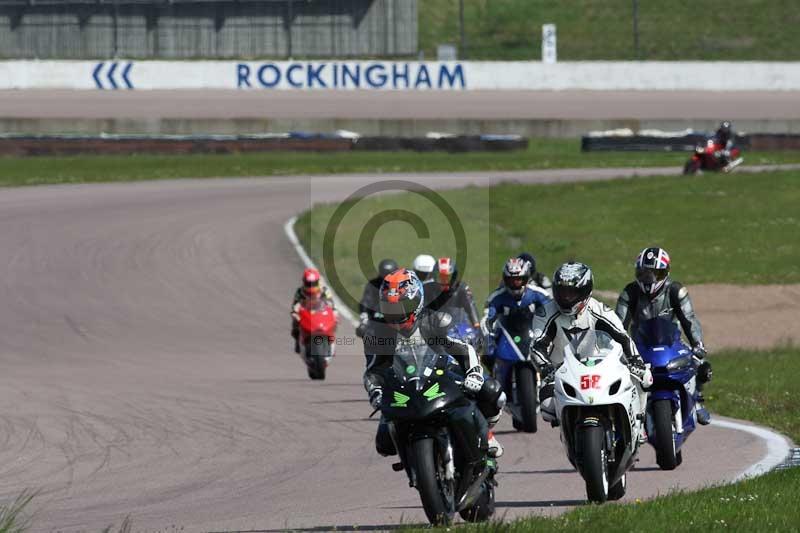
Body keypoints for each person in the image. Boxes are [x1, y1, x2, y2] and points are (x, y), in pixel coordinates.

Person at [363, 268, 506, 458]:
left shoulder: (433, 322)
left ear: (416, 302)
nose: (396, 313)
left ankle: (486, 434)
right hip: (403, 388)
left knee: (490, 390)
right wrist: (376, 391)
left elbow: (464, 349)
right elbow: (373, 371)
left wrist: (473, 373)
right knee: (384, 443)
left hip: (441, 376)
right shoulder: (379, 334)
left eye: (402, 306)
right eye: (390, 308)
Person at [531, 261, 651, 425]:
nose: (566, 298)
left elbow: (623, 338)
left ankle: (639, 422)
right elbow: (538, 346)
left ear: (585, 291)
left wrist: (636, 360)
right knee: (547, 409)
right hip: (562, 372)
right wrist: (546, 368)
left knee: (645, 376)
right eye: (562, 292)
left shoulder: (600, 310)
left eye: (571, 293)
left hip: (599, 368)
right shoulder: (545, 313)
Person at [615, 247, 712, 424]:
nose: (648, 278)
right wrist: (616, 349)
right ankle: (626, 416)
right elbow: (618, 324)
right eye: (644, 273)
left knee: (701, 365)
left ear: (664, 273)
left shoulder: (675, 291)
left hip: (671, 342)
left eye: (654, 274)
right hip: (639, 345)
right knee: (617, 371)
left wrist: (698, 344)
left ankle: (696, 400)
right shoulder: (630, 292)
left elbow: (689, 319)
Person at [482, 257, 552, 370]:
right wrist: (488, 334)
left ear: (525, 278)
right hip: (506, 335)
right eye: (511, 280)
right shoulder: (496, 297)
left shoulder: (538, 294)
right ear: (505, 280)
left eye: (518, 280)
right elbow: (488, 318)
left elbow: (551, 311)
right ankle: (494, 376)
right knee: (487, 354)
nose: (515, 284)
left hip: (532, 333)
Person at [291, 267, 335, 354]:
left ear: (318, 282)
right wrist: (295, 312)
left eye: (314, 283)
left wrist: (332, 309)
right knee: (295, 321)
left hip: (320, 311)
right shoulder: (300, 292)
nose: (311, 286)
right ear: (304, 282)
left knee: (335, 317)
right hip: (307, 312)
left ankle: (331, 338)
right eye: (308, 283)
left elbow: (331, 301)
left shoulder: (324, 290)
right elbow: (295, 305)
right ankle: (297, 340)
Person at [356, 258, 398, 339]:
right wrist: (364, 319)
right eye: (385, 275)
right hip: (376, 321)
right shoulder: (373, 284)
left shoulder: (402, 285)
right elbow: (366, 301)